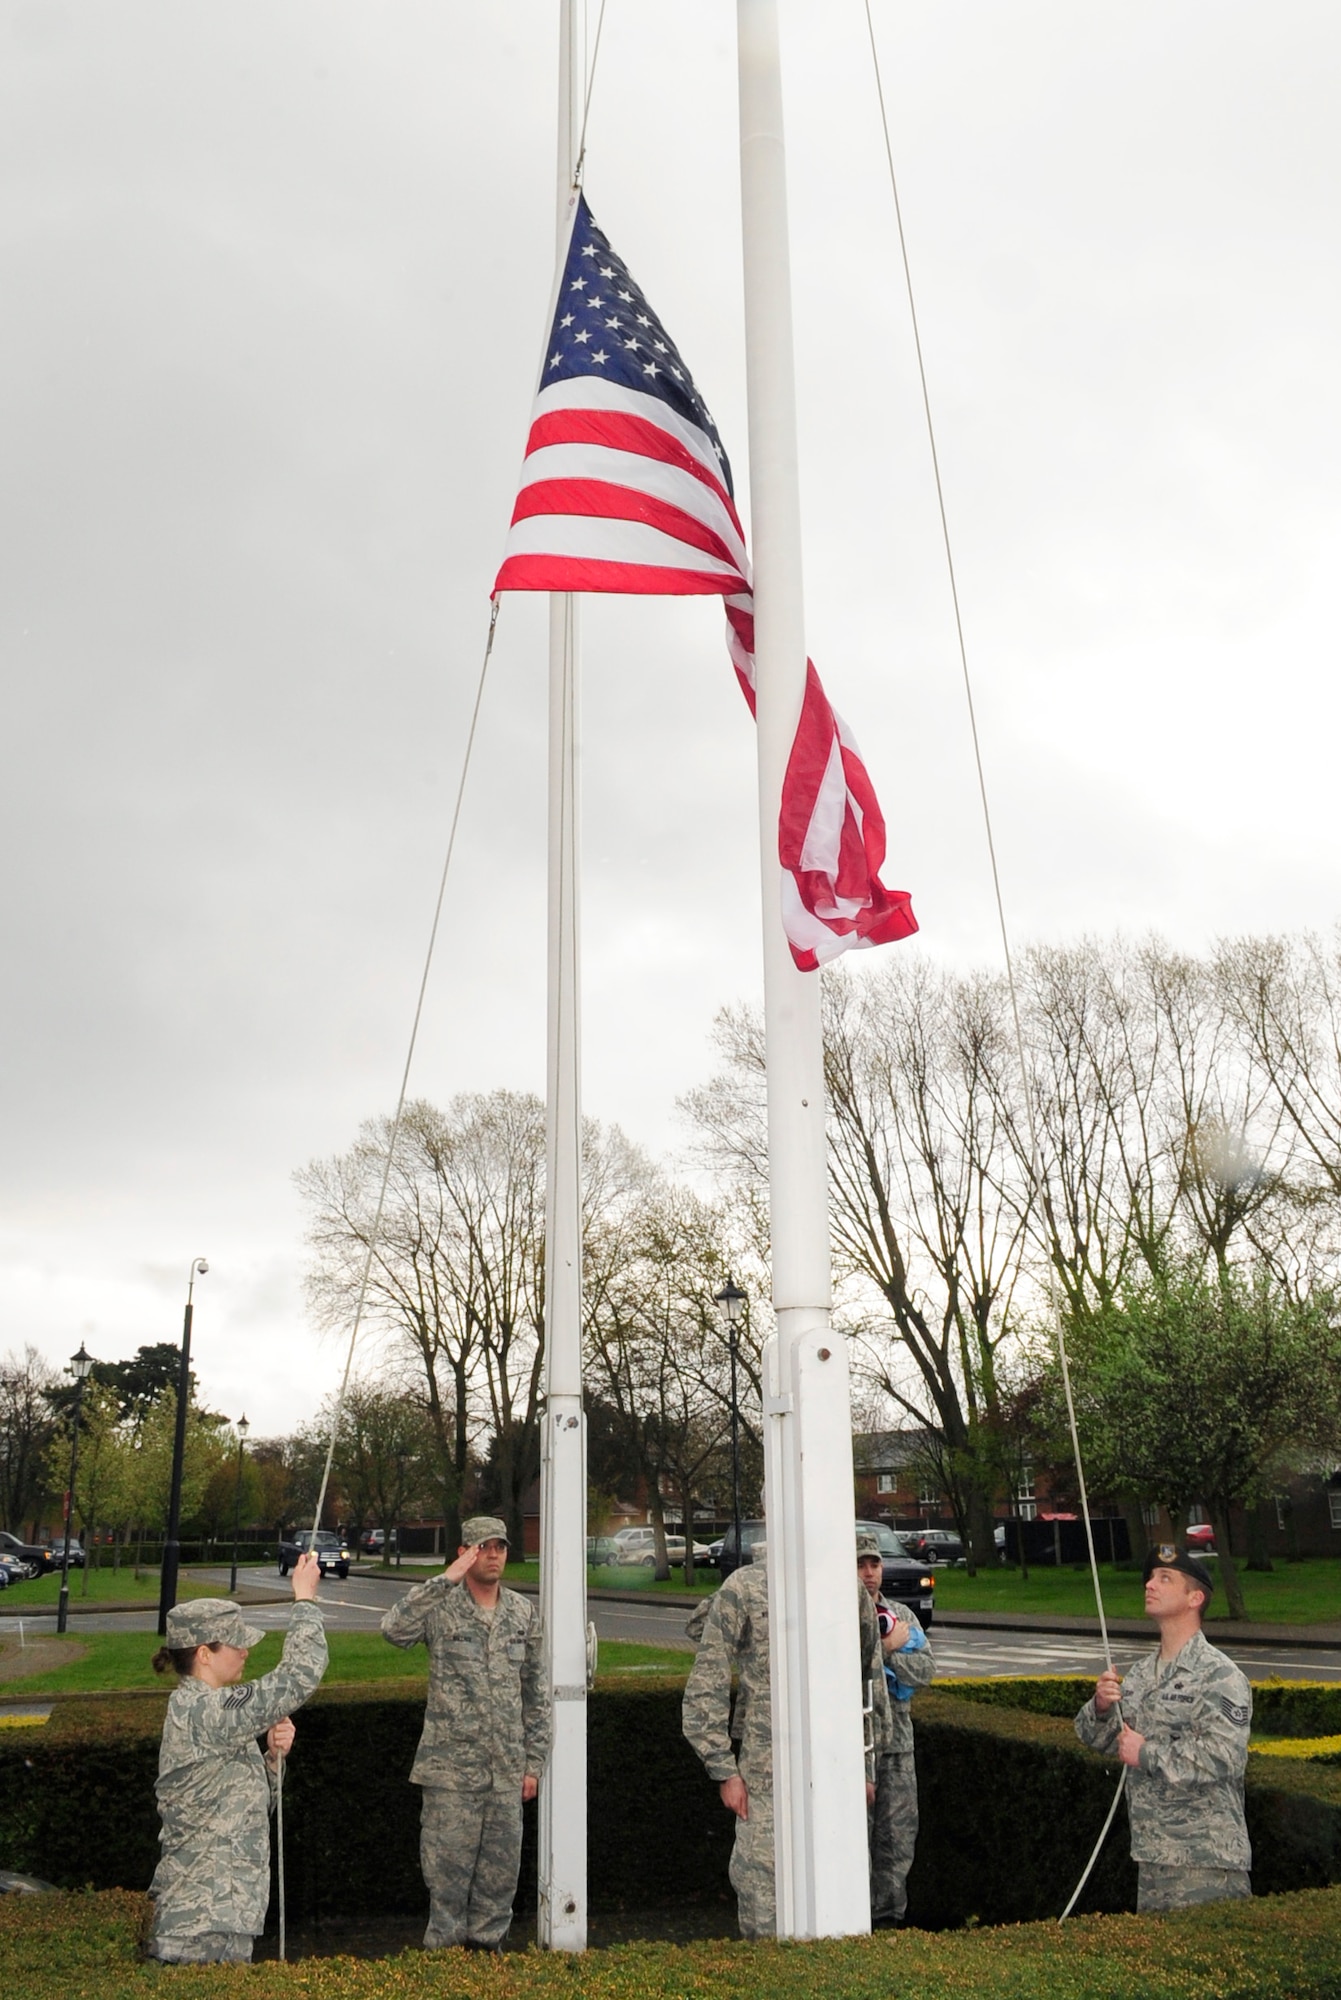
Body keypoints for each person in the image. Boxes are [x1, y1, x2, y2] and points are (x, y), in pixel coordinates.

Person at [682, 1539, 891, 1939]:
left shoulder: (845, 1590)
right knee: (764, 1896)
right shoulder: (744, 1587)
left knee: (842, 1891)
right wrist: (723, 1769)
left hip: (834, 1766)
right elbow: (705, 1683)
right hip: (766, 1772)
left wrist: (866, 1765)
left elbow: (868, 1681)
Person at [146, 1548, 327, 1964]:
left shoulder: (215, 1714)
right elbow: (298, 1676)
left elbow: (241, 1809)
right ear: (204, 1653)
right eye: (236, 1644)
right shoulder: (205, 1710)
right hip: (198, 1928)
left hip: (222, 1918)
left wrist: (272, 1761)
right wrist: (304, 1601)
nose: (246, 1651)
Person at [381, 1514, 551, 1951]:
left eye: (499, 1547)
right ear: (464, 1553)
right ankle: (443, 1971)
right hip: (451, 1777)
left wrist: (533, 1765)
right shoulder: (442, 1607)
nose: (492, 1555)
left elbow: (535, 1694)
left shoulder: (522, 1612)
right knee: (447, 1885)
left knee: (499, 1885)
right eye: (482, 1547)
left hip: (505, 1776)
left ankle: (488, 1965)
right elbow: (394, 1630)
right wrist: (444, 1580)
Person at [1074, 1543, 1252, 1912]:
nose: (1150, 1585)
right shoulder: (1140, 1675)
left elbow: (1223, 1757)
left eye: (1165, 1578)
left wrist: (1146, 1753)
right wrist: (1102, 1707)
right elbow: (1101, 1738)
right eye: (1150, 1578)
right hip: (1152, 1854)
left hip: (1205, 1860)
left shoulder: (1219, 1676)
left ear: (1195, 1598)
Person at [857, 1529, 934, 1926]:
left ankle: (891, 1919)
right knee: (858, 1841)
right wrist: (883, 1650)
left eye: (875, 1564)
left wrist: (894, 1661)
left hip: (898, 1746)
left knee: (898, 1838)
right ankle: (858, 1920)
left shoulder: (901, 1617)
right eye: (861, 1565)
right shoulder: (839, 1619)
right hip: (858, 1749)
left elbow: (925, 1669)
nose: (869, 1573)